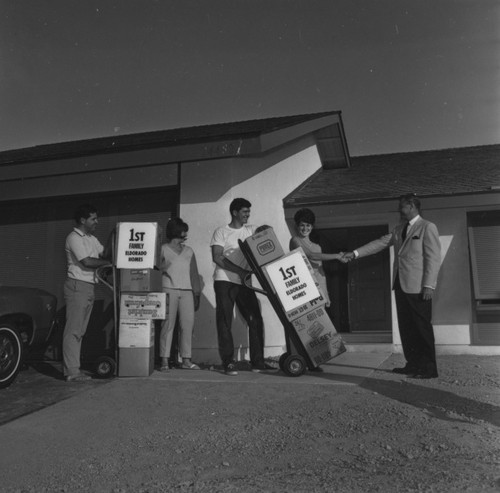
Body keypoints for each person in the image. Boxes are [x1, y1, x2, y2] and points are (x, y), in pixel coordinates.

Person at [343, 194, 441, 379]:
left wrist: (429, 285)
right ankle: (413, 364)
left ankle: (429, 368)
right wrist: (354, 253)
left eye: (402, 207)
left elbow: (433, 259)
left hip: (419, 287)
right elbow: (379, 243)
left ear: (412, 206)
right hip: (400, 286)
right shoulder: (398, 230)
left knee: (422, 328)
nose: (399, 210)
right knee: (406, 328)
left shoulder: (428, 227)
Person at [210, 198, 273, 375]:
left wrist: (265, 230)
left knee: (255, 318)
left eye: (249, 212)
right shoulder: (221, 231)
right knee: (225, 321)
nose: (248, 215)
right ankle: (228, 362)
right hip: (225, 281)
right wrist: (240, 271)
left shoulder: (250, 230)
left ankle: (258, 363)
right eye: (245, 212)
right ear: (235, 212)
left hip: (244, 282)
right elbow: (217, 257)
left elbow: (265, 233)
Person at [63, 204, 111, 382]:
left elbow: (104, 253)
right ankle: (72, 372)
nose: (96, 222)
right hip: (77, 285)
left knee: (80, 331)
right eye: (93, 219)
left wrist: (116, 237)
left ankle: (74, 369)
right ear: (83, 220)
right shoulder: (74, 237)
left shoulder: (91, 238)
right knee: (74, 330)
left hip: (88, 286)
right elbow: (87, 262)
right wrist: (108, 263)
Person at [159, 218, 201, 371]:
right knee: (167, 325)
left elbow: (194, 274)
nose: (185, 233)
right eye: (183, 229)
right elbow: (157, 270)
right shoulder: (162, 249)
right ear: (176, 230)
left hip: (187, 292)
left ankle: (186, 360)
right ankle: (164, 360)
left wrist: (197, 294)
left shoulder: (189, 251)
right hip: (168, 289)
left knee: (187, 326)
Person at [289, 208, 345, 307]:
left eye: (308, 225)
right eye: (302, 225)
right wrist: (337, 256)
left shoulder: (317, 247)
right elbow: (311, 255)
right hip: (302, 287)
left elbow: (320, 273)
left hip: (317, 289)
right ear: (297, 226)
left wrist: (325, 293)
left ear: (312, 227)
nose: (305, 228)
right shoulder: (295, 240)